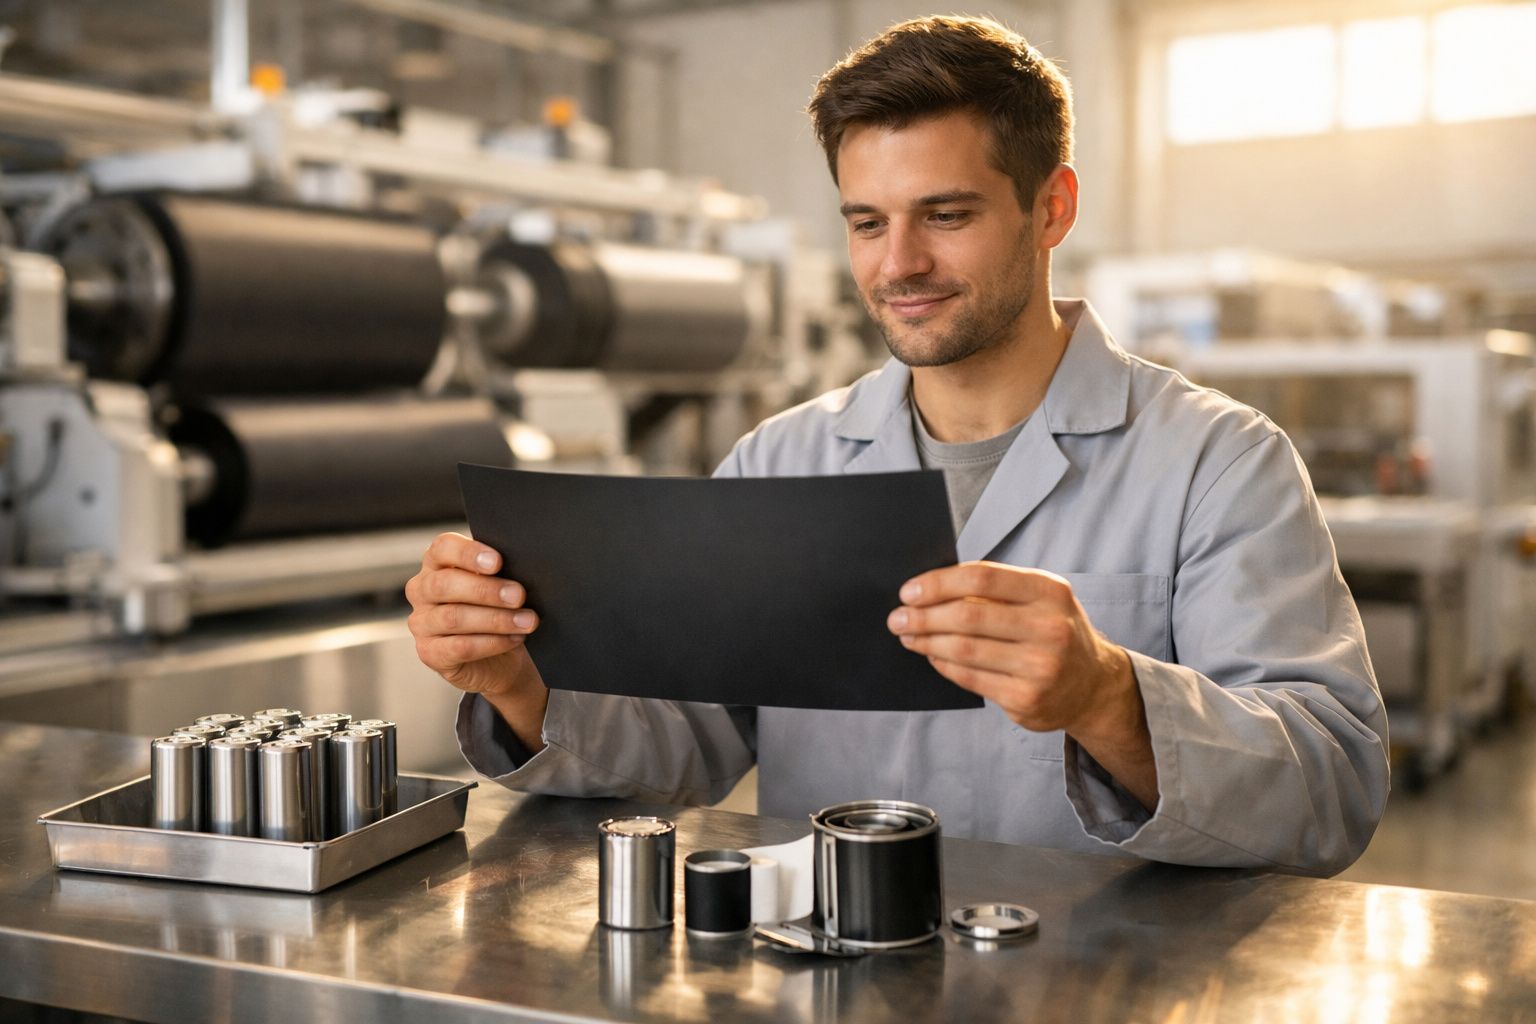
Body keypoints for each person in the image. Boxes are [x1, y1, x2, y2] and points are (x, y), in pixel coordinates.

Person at [407, 15, 1388, 874]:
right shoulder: (780, 463)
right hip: (832, 979)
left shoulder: (1218, 463)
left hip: (1103, 985)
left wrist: (1111, 696)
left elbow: (1332, 788)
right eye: (867, 222)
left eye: (946, 215)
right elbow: (685, 744)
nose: (899, 264)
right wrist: (517, 685)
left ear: (1052, 207)